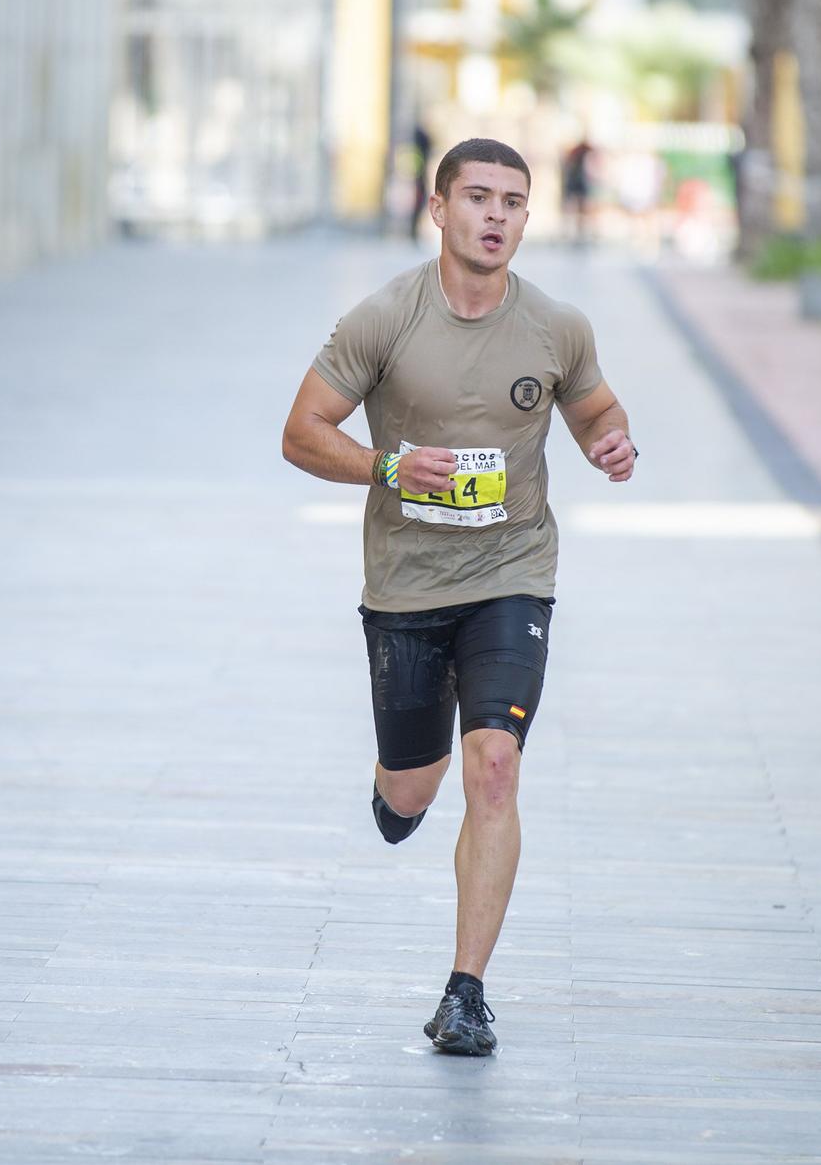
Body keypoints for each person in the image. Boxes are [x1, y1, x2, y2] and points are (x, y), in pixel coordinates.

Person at [280, 137, 638, 1056]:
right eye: (477, 198)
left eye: (513, 202)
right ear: (438, 209)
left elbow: (596, 408)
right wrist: (389, 466)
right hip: (405, 585)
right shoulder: (386, 318)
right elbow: (300, 432)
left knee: (496, 765)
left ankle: (466, 990)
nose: (496, 216)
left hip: (513, 573)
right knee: (414, 787)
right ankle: (397, 790)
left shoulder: (557, 327)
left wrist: (612, 441)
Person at [560, 139, 593, 244]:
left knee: (578, 206)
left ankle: (578, 230)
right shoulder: (574, 154)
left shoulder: (577, 154)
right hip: (575, 180)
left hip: (576, 180)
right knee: (573, 206)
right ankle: (571, 230)